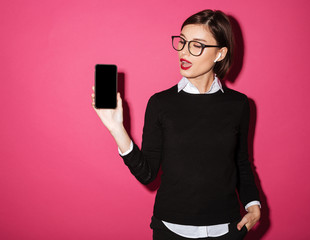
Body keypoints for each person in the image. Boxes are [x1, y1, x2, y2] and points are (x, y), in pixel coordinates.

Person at [91, 9, 261, 240]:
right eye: (182, 42)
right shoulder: (161, 103)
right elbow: (147, 174)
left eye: (196, 45)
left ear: (220, 54)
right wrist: (116, 128)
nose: (184, 52)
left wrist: (253, 205)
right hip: (170, 230)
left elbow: (241, 162)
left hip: (227, 230)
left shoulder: (239, 104)